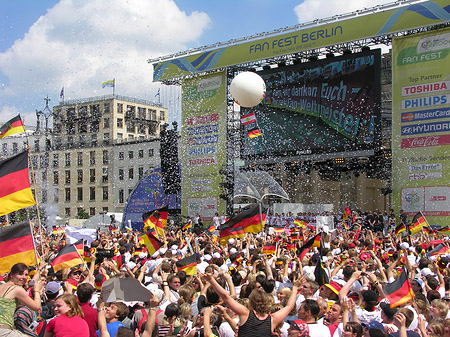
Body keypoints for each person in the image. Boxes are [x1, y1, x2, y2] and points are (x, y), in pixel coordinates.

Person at [204, 272, 304, 336]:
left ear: (251, 302)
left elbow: (226, 297)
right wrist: (294, 288)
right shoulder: (272, 320)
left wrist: (211, 280)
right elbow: (289, 306)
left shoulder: (245, 314)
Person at [0, 263, 43, 336]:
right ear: (11, 275)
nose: (24, 277)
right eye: (20, 274)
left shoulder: (2, 286)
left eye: (26, 275)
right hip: (3, 330)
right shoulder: (17, 289)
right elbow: (36, 306)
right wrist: (37, 290)